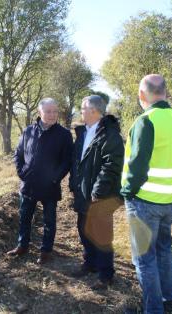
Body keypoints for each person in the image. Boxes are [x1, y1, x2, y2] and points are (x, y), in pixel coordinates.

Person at [122, 74, 172, 314]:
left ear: (142, 95)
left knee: (145, 260)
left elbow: (136, 166)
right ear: (165, 92)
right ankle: (169, 297)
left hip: (143, 202)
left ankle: (154, 309)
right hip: (170, 201)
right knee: (164, 249)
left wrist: (126, 192)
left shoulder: (146, 121)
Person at [7, 97, 73, 264]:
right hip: (28, 184)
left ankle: (46, 251)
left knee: (49, 220)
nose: (52, 115)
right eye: (48, 111)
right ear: (40, 112)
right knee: (24, 217)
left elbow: (67, 161)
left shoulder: (64, 134)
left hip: (50, 186)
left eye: (55, 111)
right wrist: (21, 172)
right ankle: (22, 245)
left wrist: (55, 178)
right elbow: (18, 154)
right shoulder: (28, 131)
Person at [69, 95, 124, 290]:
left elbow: (112, 165)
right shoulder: (83, 132)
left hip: (101, 195)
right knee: (84, 228)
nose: (81, 112)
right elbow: (77, 161)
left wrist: (98, 191)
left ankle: (106, 274)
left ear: (93, 110)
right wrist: (73, 185)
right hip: (83, 192)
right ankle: (90, 263)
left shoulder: (110, 133)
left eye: (83, 109)